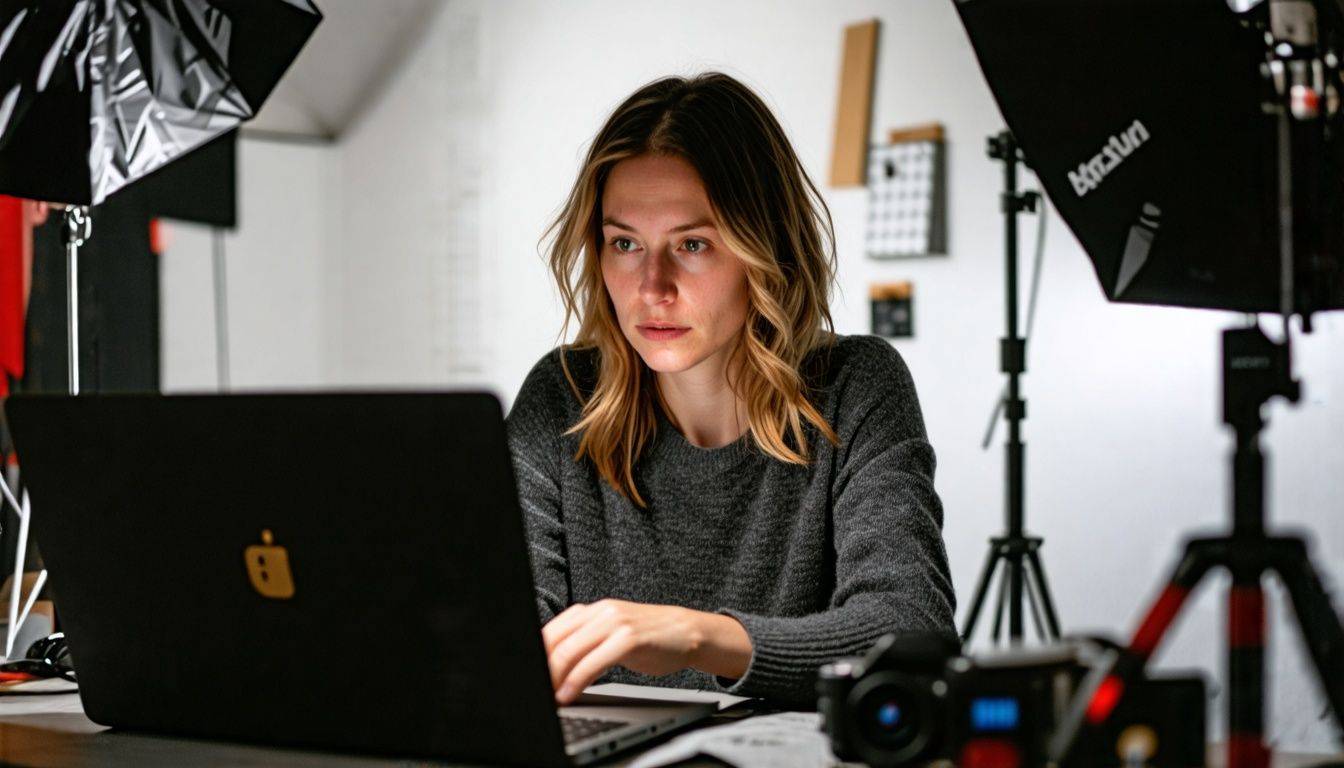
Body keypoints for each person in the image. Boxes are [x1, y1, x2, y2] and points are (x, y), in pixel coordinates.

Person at [506, 72, 955, 708]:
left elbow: (913, 633)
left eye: (693, 244)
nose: (652, 287)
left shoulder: (858, 387)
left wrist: (696, 636)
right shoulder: (559, 398)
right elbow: (501, 634)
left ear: (763, 247)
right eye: (625, 243)